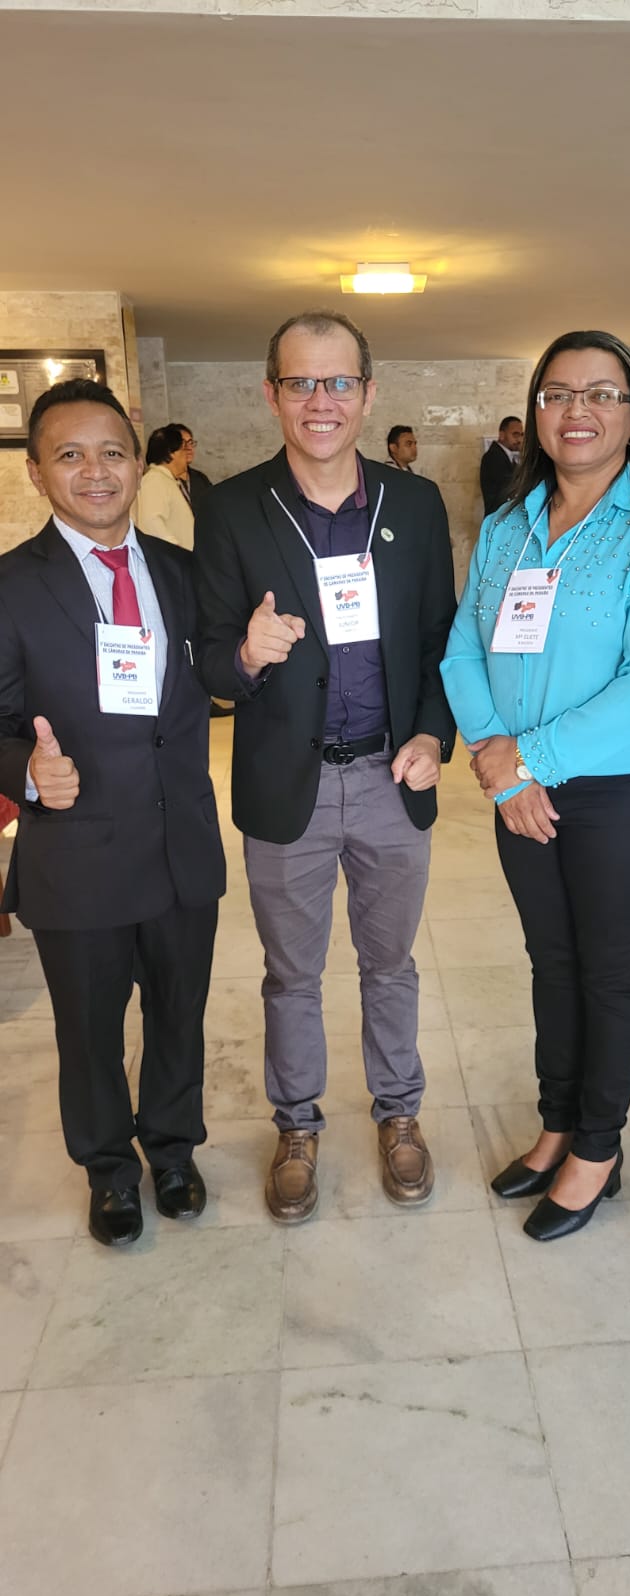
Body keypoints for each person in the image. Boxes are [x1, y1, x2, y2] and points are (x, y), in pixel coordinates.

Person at [192, 310, 456, 1224]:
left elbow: (438, 640)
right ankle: (297, 1125)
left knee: (391, 965)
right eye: (300, 382)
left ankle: (399, 1114)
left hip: (392, 776)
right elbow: (209, 660)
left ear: (369, 393)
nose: (320, 401)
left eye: (338, 382)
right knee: (291, 974)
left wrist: (433, 735)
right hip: (285, 786)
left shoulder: (412, 505)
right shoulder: (228, 508)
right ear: (271, 394)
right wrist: (248, 655)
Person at [441, 330, 630, 1242]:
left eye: (601, 394)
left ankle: (600, 1147)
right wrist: (494, 757)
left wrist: (529, 761)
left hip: (624, 789)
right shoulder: (508, 526)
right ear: (535, 414)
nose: (576, 410)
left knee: (607, 968)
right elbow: (462, 648)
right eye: (556, 394)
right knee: (550, 963)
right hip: (519, 784)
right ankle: (558, 1125)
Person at [0, 379, 225, 1246]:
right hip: (77, 854)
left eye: (112, 452)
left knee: (179, 1013)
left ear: (138, 465)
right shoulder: (12, 587)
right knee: (89, 1031)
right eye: (70, 454)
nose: (95, 472)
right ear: (36, 472)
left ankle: (172, 1148)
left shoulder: (182, 572)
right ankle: (108, 1169)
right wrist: (26, 769)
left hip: (180, 846)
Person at [136, 424, 194, 548]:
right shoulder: (154, 480)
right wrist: (176, 552)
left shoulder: (166, 480)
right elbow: (151, 523)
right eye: (183, 449)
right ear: (171, 453)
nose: (186, 454)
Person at [480, 416, 524, 514]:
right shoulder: (493, 457)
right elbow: (510, 487)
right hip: (498, 518)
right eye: (515, 434)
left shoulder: (508, 457)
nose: (520, 439)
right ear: (502, 435)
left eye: (521, 435)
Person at [173, 422, 214, 510]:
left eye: (191, 443)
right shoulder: (165, 479)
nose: (189, 448)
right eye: (183, 443)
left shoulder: (201, 478)